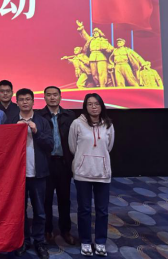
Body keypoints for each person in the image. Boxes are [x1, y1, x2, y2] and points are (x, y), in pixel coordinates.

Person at [69, 93, 115, 257]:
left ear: (101, 106)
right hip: (83, 174)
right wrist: (82, 160)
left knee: (102, 210)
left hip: (102, 173)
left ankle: (101, 242)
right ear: (85, 107)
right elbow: (73, 147)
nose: (93, 107)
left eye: (96, 104)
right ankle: (86, 241)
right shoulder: (77, 124)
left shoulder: (108, 125)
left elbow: (109, 147)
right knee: (84, 209)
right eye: (90, 104)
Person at [9, 89, 53, 260]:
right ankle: (23, 241)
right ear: (17, 102)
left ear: (33, 101)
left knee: (40, 211)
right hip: (17, 176)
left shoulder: (42, 121)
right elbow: (5, 147)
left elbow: (50, 145)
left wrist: (36, 131)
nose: (25, 102)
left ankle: (39, 242)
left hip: (38, 174)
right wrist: (14, 131)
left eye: (28, 99)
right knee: (19, 212)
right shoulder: (11, 120)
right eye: (21, 99)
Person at [38, 86, 76, 245]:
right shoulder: (39, 116)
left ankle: (65, 230)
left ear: (60, 97)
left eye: (55, 95)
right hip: (46, 163)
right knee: (46, 199)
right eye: (49, 95)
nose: (52, 98)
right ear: (44, 97)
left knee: (64, 198)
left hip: (63, 162)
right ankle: (47, 229)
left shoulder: (70, 116)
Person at [77, 21, 114, 87]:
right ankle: (97, 85)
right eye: (94, 33)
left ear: (99, 33)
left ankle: (102, 86)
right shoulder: (91, 40)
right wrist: (81, 27)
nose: (95, 34)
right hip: (92, 57)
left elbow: (111, 48)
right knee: (94, 74)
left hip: (101, 58)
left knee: (101, 73)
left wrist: (107, 49)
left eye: (96, 32)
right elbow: (85, 35)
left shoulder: (103, 40)